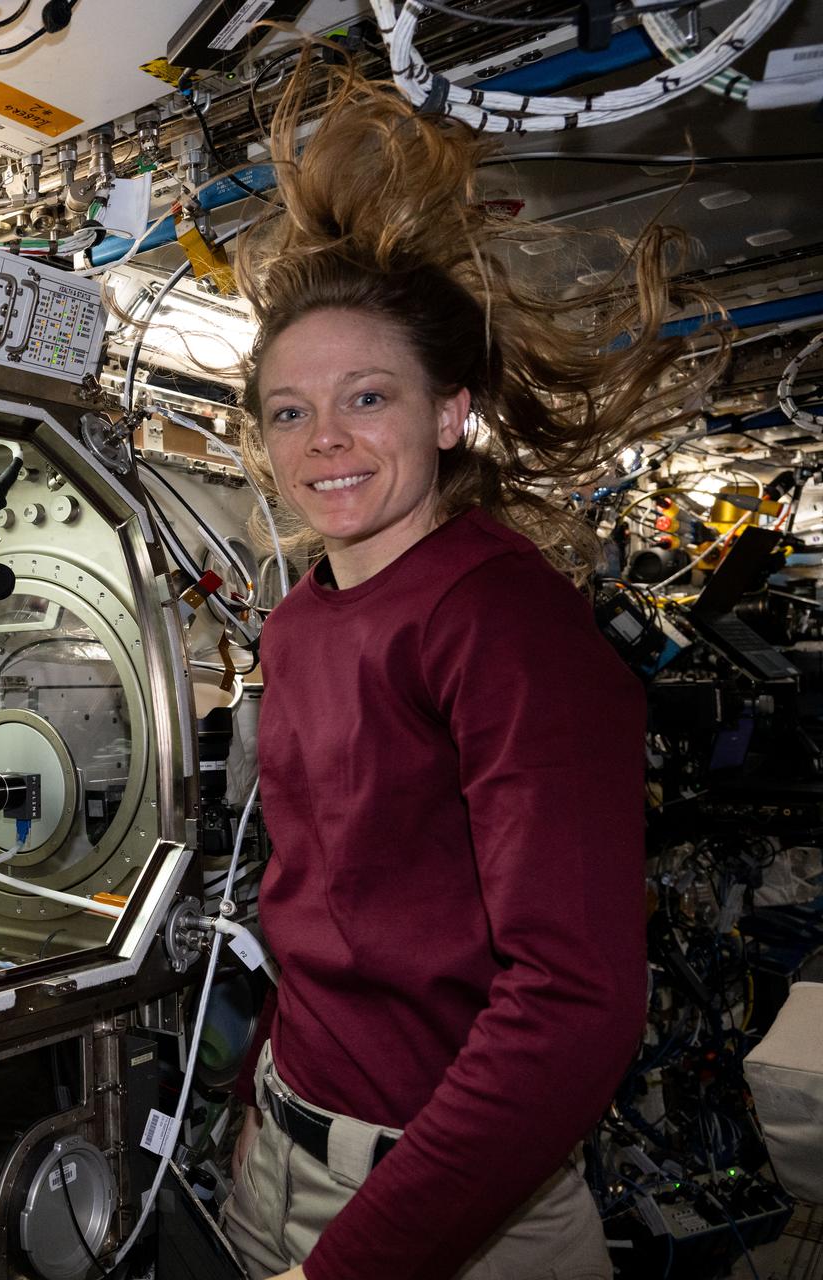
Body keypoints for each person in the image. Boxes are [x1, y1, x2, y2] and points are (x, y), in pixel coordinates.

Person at [206, 59, 720, 1280]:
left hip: (450, 1201)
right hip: (281, 1155)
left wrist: (356, 1259)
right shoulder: (304, 621)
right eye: (288, 410)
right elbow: (325, 912)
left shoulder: (506, 627)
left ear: (449, 414)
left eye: (366, 396)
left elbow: (576, 1005)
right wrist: (254, 1108)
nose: (323, 437)